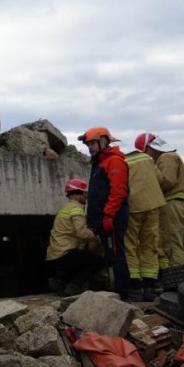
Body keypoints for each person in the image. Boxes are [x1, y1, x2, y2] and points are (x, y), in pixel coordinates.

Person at [78, 127, 133, 300]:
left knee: (117, 254)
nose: (90, 147)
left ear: (104, 141)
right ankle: (117, 288)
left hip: (113, 218)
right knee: (111, 255)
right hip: (104, 219)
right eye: (88, 144)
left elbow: (118, 191)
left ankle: (123, 292)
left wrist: (109, 215)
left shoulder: (114, 161)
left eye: (93, 143)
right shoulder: (100, 162)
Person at [135, 133, 184, 269]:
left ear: (151, 147)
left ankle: (177, 278)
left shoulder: (166, 157)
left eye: (145, 151)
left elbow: (167, 180)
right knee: (171, 242)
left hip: (171, 204)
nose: (146, 155)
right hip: (176, 203)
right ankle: (172, 277)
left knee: (171, 244)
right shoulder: (170, 156)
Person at [46, 179, 105, 297]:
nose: (87, 198)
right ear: (79, 195)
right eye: (85, 194)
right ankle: (74, 285)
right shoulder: (77, 209)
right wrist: (98, 238)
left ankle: (60, 280)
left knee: (81, 257)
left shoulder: (65, 209)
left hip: (54, 256)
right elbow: (82, 233)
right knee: (98, 262)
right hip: (65, 254)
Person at [124, 141, 167, 301]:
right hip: (153, 204)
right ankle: (150, 287)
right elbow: (161, 178)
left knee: (131, 245)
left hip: (133, 206)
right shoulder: (147, 159)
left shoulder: (122, 161)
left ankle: (136, 288)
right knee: (150, 244)